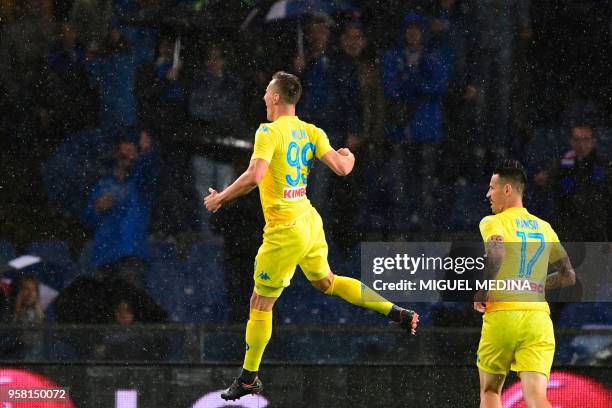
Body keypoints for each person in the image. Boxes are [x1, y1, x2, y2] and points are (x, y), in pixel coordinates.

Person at [204, 71, 419, 401]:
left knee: (260, 303)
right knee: (328, 282)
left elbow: (255, 175)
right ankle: (396, 312)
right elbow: (343, 168)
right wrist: (351, 155)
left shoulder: (269, 131)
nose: (263, 97)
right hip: (309, 220)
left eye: (266, 92)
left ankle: (248, 378)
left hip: (284, 231)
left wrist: (221, 198)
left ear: (276, 97)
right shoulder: (311, 131)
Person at [475, 159, 576, 408]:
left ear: (507, 190)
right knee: (536, 397)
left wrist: (481, 291)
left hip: (503, 316)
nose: (488, 194)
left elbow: (497, 253)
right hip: (537, 320)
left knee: (490, 390)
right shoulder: (545, 228)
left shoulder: (492, 222)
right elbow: (568, 276)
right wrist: (534, 284)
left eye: (492, 187)